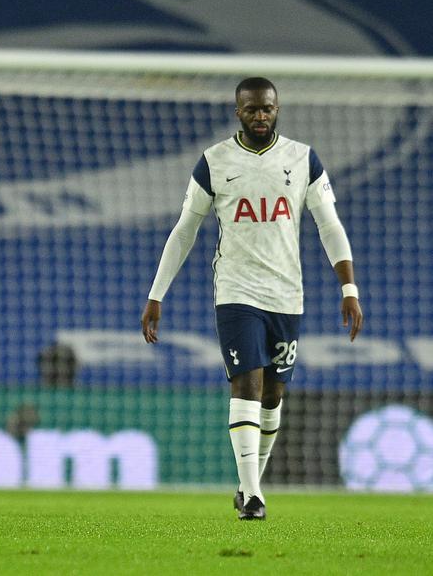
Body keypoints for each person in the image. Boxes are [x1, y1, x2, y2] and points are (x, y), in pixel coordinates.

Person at [141, 77, 363, 520]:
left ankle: (250, 486)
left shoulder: (302, 159)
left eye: (268, 108)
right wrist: (156, 295)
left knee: (273, 396)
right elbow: (185, 230)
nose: (261, 116)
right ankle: (253, 493)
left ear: (277, 109)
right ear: (237, 111)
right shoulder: (215, 161)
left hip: (287, 294)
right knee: (247, 383)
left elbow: (329, 225)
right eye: (252, 109)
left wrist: (349, 287)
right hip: (236, 291)